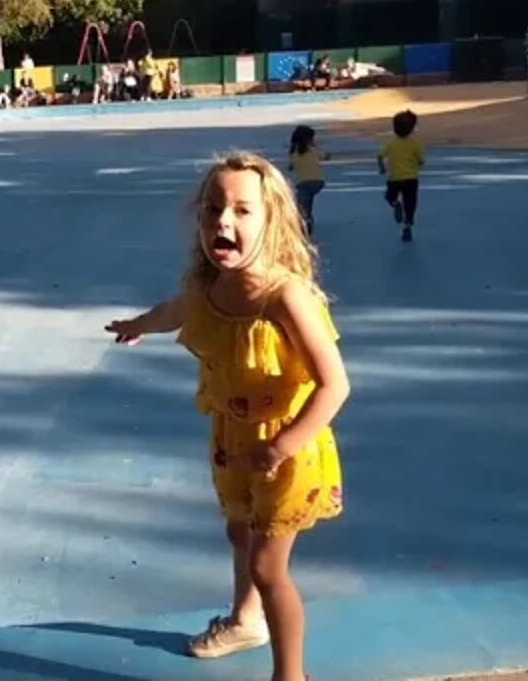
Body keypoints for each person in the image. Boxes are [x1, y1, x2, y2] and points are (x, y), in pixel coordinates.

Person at [105, 152, 349, 681]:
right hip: (233, 439)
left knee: (267, 567)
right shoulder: (210, 288)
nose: (224, 220)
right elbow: (176, 310)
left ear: (272, 220)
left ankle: (291, 675)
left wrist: (283, 444)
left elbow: (336, 385)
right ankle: (245, 621)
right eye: (214, 208)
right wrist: (139, 324)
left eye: (242, 210)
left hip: (288, 450)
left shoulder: (286, 297)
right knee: (240, 534)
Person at [378, 110, 424, 242]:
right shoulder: (414, 143)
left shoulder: (391, 143)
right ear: (412, 129)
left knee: (389, 196)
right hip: (411, 179)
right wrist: (417, 164)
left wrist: (382, 167)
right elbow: (420, 160)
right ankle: (407, 226)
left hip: (395, 178)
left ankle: (395, 203)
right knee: (410, 203)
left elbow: (380, 156)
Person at [289, 125, 331, 237]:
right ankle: (308, 220)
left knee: (303, 207)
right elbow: (327, 156)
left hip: (303, 183)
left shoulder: (294, 152)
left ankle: (306, 224)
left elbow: (291, 167)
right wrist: (315, 146)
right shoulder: (313, 150)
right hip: (317, 182)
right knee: (307, 202)